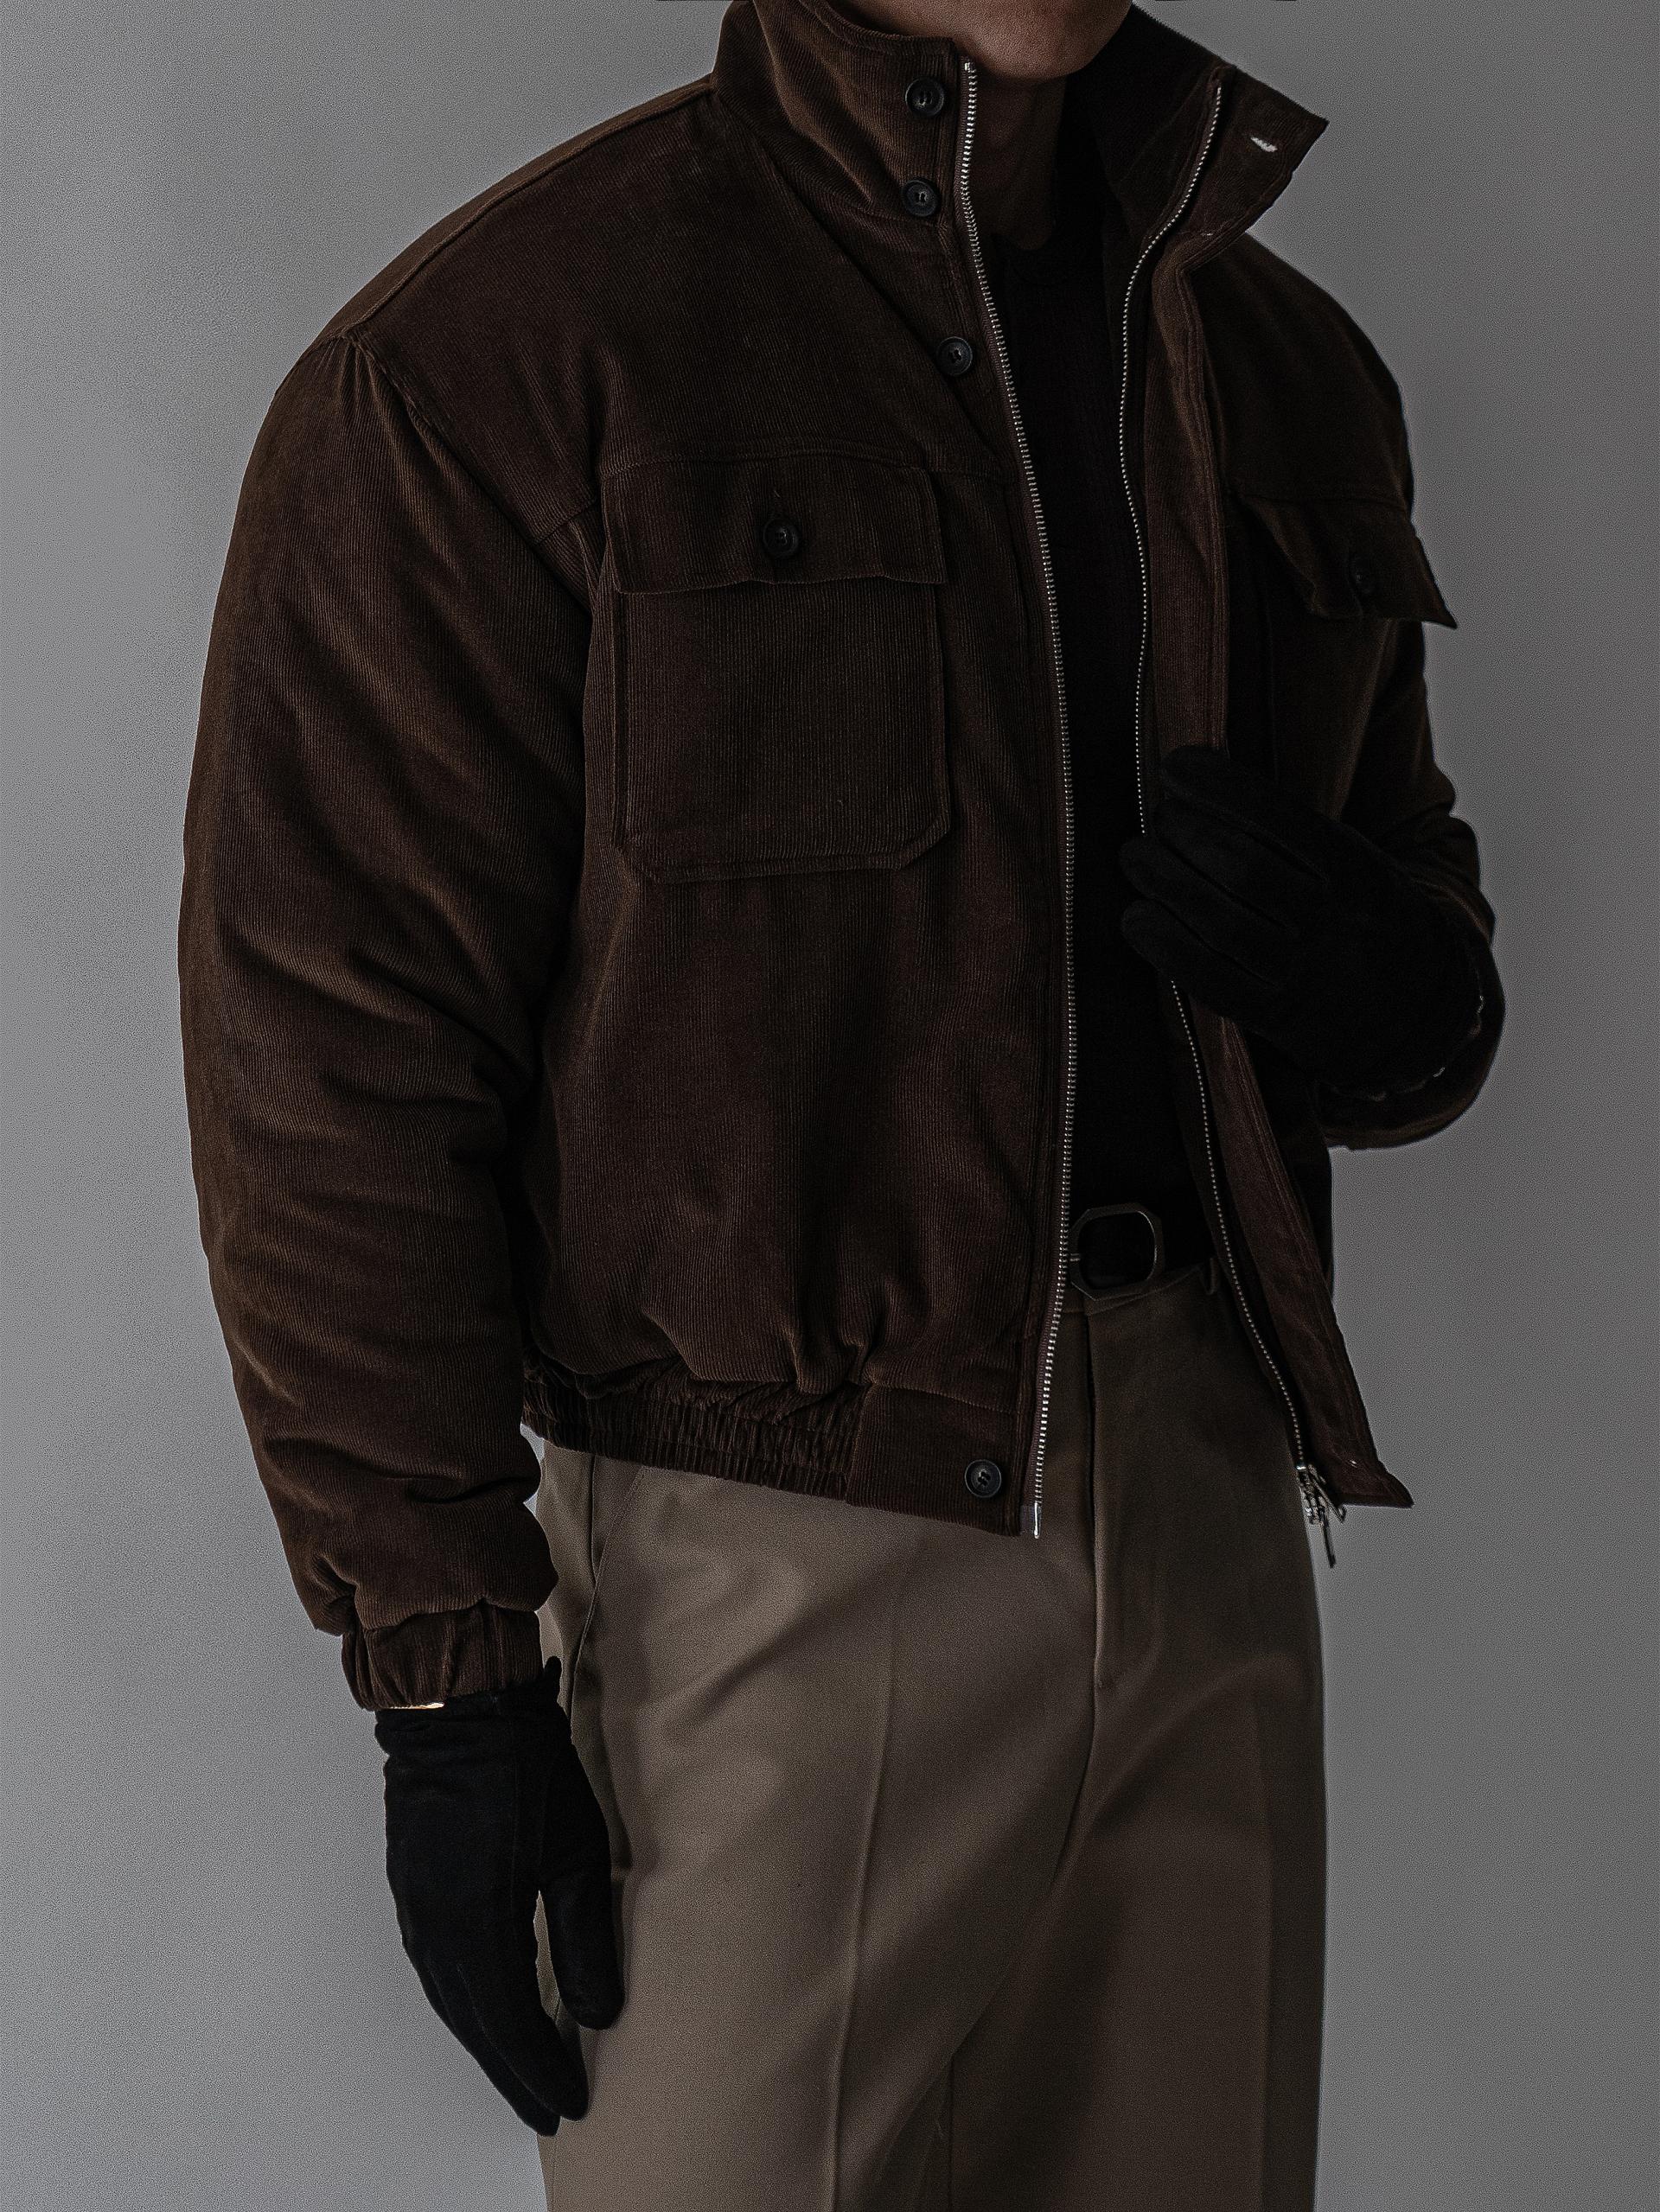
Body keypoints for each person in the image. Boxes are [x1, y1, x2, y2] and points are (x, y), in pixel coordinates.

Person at [177, 0, 1505, 2204]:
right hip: (766, 1581)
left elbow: (1424, 931)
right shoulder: (500, 362)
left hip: (1213, 1512)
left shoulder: (1284, 367)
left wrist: (1398, 994)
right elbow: (332, 1055)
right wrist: (449, 1675)